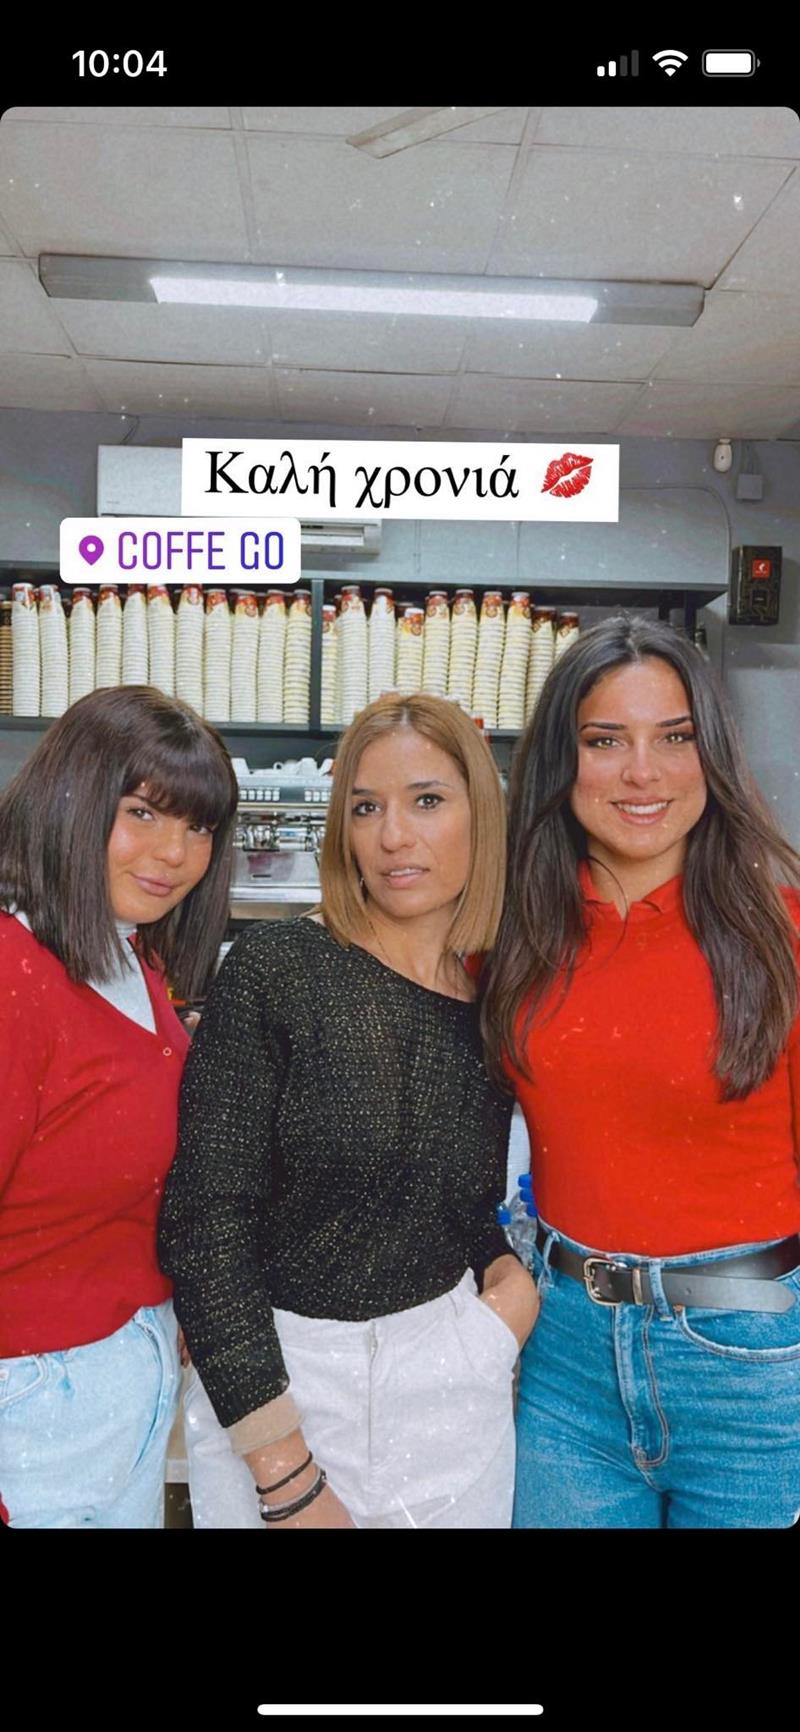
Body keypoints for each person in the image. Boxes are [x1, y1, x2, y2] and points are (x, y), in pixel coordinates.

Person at [158, 693, 538, 1529]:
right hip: (283, 1386)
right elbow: (206, 1220)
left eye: (427, 801)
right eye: (366, 808)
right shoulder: (277, 968)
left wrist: (509, 1292)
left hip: (450, 1380)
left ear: (482, 815)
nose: (393, 836)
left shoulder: (490, 1001)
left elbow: (446, 1204)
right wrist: (284, 1473)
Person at [481, 614, 800, 1529]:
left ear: (713, 753)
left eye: (675, 738)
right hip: (564, 1357)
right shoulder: (511, 937)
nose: (643, 774)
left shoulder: (782, 933)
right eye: (605, 741)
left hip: (750, 1362)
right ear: (562, 758)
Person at [0, 686, 238, 1528]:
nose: (174, 853)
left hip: (119, 1375)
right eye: (142, 812)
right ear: (69, 801)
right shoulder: (14, 978)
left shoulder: (127, 953)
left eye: (199, 827)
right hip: (31, 1402)